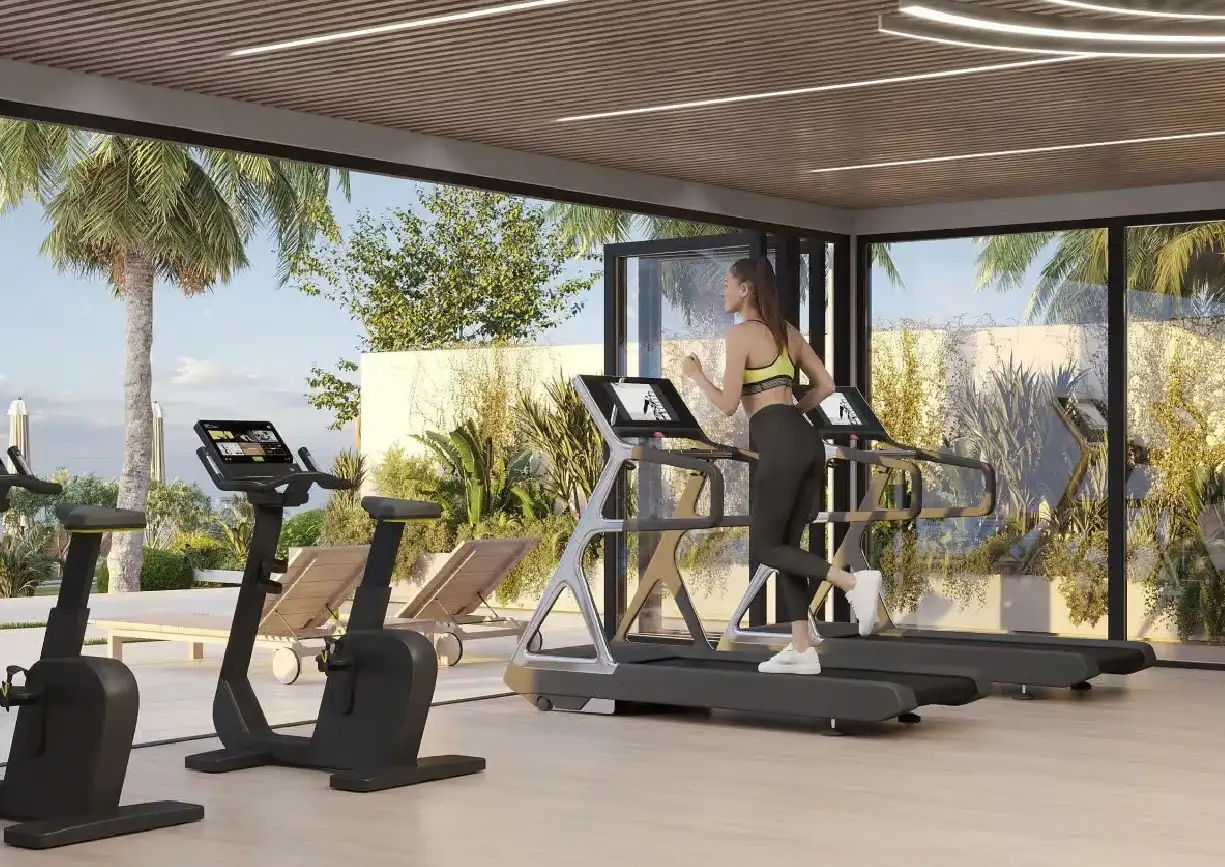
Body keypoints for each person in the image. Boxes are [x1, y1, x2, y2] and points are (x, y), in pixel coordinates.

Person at [680, 257, 881, 675]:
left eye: (726, 284)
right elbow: (825, 385)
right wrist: (792, 413)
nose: (723, 291)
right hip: (806, 441)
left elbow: (728, 404)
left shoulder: (742, 335)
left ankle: (851, 583)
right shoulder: (787, 332)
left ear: (746, 290)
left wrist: (696, 377)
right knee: (788, 546)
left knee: (767, 548)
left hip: (780, 444)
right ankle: (802, 648)